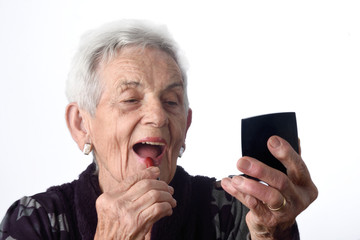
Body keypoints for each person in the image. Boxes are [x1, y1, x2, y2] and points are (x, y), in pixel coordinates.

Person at [0, 19, 318, 240]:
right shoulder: (34, 220)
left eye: (171, 101)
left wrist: (274, 233)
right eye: (130, 99)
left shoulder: (233, 211)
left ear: (186, 126)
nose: (158, 117)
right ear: (82, 125)